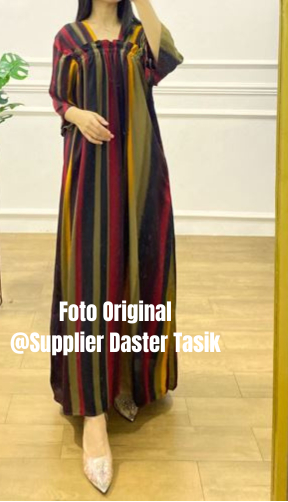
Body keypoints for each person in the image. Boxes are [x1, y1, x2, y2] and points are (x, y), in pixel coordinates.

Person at [48, 0, 183, 493]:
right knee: (90, 279)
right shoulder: (69, 37)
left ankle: (127, 380)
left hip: (141, 168)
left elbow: (161, 59)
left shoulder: (138, 35)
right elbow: (58, 97)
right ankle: (93, 414)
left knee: (140, 269)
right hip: (90, 171)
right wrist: (77, 113)